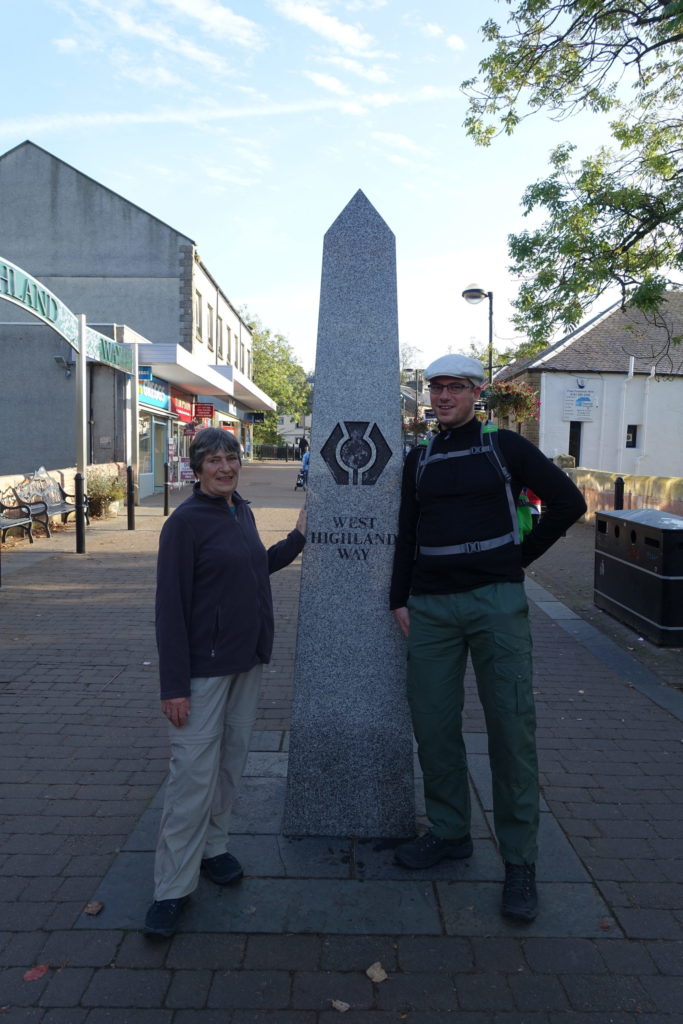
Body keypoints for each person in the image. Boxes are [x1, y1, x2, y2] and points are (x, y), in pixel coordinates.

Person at [390, 353, 586, 922]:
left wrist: (516, 561)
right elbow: (407, 532)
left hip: (495, 605)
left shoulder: (505, 448)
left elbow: (569, 502)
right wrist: (398, 598)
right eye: (435, 387)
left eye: (455, 387)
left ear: (477, 393)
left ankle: (520, 863)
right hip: (430, 607)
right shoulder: (420, 458)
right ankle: (451, 833)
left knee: (510, 729)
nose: (443, 396)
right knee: (432, 725)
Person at [144, 428, 306, 938]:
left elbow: (255, 569)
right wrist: (174, 685)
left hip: (246, 661)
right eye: (214, 460)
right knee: (192, 774)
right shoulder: (185, 524)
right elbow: (169, 608)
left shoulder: (242, 512)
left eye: (231, 458)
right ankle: (172, 887)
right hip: (201, 670)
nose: (225, 467)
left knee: (230, 763)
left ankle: (214, 848)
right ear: (196, 468)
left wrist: (299, 538)